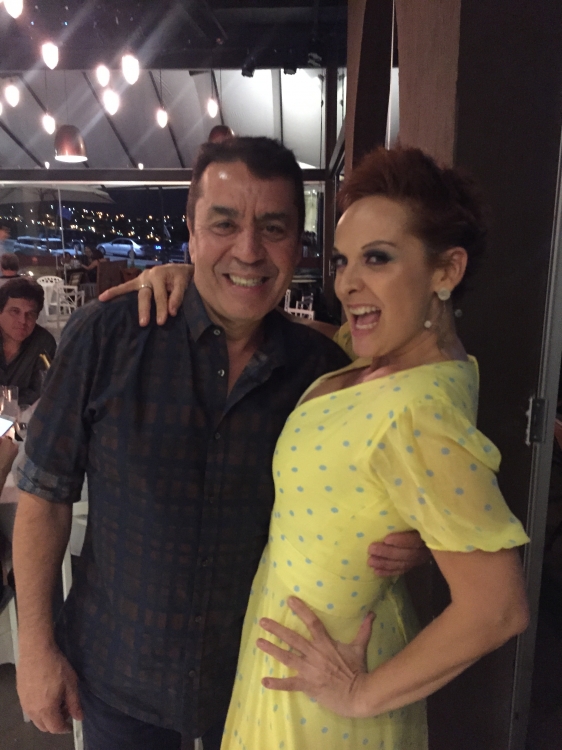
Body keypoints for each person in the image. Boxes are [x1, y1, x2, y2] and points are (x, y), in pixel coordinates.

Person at [106, 147, 530, 749]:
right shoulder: (383, 358)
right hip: (286, 662)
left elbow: (498, 607)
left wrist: (360, 693)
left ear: (446, 271)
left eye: (378, 258)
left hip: (323, 700)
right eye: (342, 260)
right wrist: (193, 281)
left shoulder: (419, 411)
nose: (349, 283)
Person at [12, 137, 424, 750]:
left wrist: (417, 537)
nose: (249, 250)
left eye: (273, 228)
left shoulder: (325, 372)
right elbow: (45, 496)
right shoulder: (108, 336)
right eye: (224, 224)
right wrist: (35, 648)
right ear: (192, 232)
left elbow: (382, 482)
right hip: (120, 675)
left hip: (263, 682)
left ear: (299, 244)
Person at [0, 278, 56, 406]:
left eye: (30, 314)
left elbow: (43, 391)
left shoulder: (43, 343)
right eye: (15, 311)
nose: (23, 321)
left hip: (24, 415)